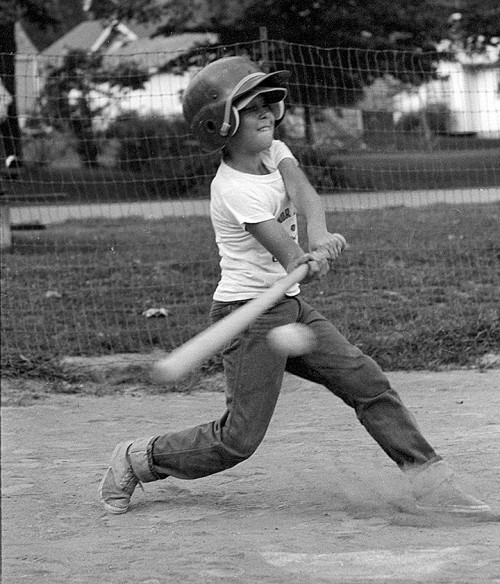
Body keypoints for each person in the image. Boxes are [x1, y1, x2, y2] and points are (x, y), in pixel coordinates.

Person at [99, 56, 491, 516]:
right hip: (249, 315)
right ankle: (138, 458)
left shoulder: (273, 152)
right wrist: (304, 259)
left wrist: (320, 234)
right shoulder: (234, 190)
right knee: (236, 441)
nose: (266, 111)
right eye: (250, 107)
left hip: (288, 304)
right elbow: (287, 253)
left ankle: (433, 483)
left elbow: (304, 195)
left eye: (269, 102)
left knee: (367, 382)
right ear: (221, 125)